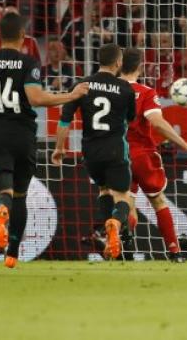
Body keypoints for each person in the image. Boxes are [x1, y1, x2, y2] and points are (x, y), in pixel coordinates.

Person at [0, 12, 88, 268]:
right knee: (20, 195)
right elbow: (37, 98)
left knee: (3, 191)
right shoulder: (29, 63)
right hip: (24, 137)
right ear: (22, 36)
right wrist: (70, 95)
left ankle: (0, 212)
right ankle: (12, 253)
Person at [118, 48, 187, 262]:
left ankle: (124, 247)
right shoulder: (146, 92)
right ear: (139, 67)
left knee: (126, 201)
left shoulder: (110, 90)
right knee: (158, 201)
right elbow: (157, 122)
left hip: (117, 155)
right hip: (142, 155)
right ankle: (174, 252)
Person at [54, 43, 136, 260]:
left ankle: (107, 236)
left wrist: (59, 148)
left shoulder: (83, 84)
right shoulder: (126, 88)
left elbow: (64, 120)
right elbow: (130, 118)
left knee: (103, 190)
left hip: (91, 151)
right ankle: (115, 224)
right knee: (122, 196)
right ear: (118, 62)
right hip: (115, 149)